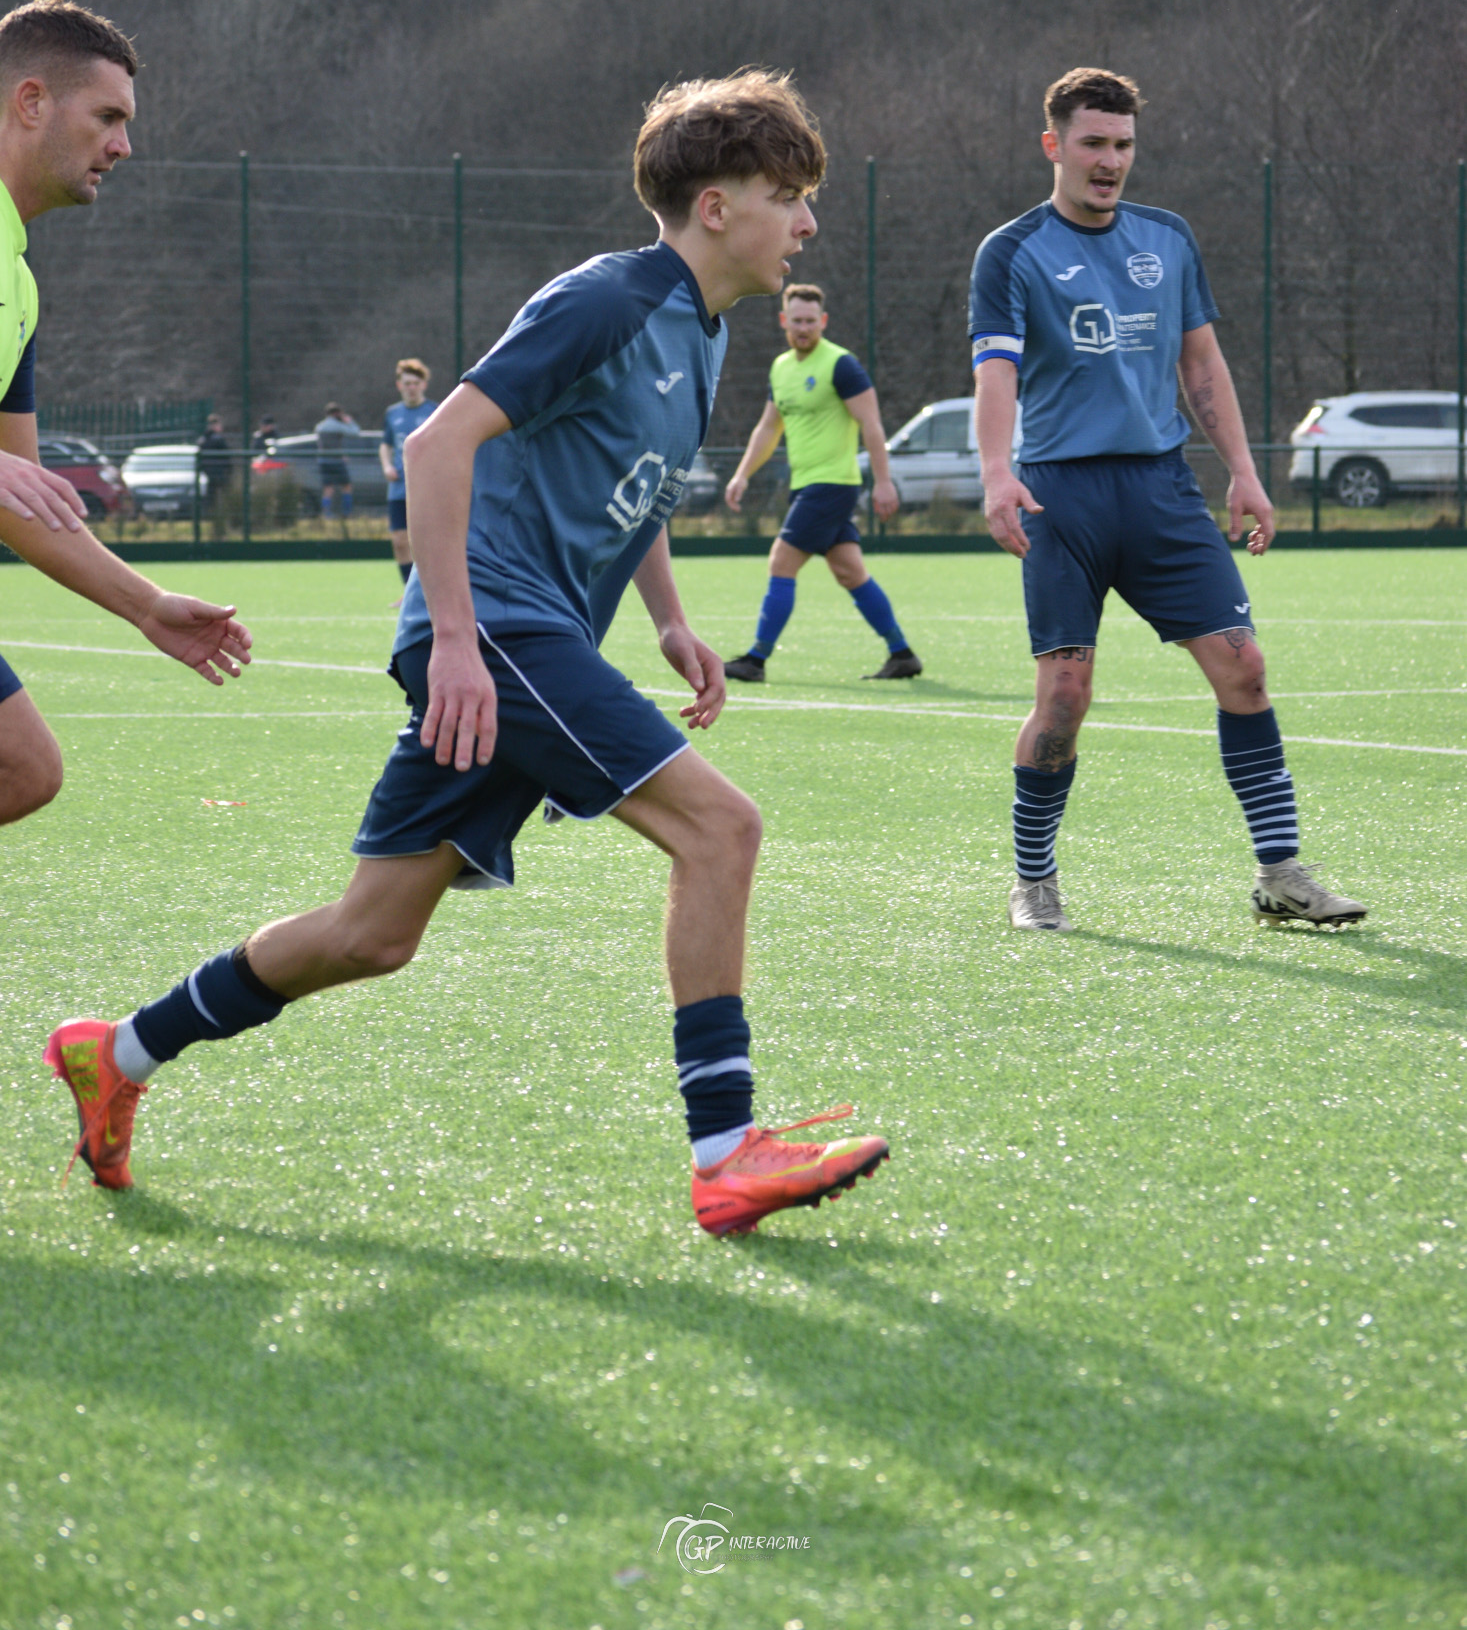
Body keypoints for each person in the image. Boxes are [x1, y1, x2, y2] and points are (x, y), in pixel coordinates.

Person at [45, 69, 889, 1235]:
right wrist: (452, 639)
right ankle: (726, 1148)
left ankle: (120, 1050)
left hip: (522, 641)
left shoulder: (698, 339)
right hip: (497, 628)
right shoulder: (611, 298)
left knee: (372, 933)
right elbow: (443, 445)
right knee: (721, 827)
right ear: (713, 206)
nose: (803, 224)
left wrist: (669, 619)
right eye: (787, 195)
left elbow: (627, 498)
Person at [970, 64, 1366, 933]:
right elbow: (993, 372)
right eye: (1092, 144)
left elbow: (1200, 364)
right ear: (1054, 146)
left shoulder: (1168, 239)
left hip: (1159, 489)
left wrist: (1245, 471)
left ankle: (1280, 873)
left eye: (1122, 145)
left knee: (1243, 668)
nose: (1109, 161)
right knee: (1064, 697)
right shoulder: (1011, 251)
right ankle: (1033, 878)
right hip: (1060, 500)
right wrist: (997, 472)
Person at [0, 0, 250, 867]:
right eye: (107, 117)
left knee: (22, 767)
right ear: (32, 103)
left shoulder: (19, 293)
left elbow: (19, 498)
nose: (124, 145)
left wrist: (146, 607)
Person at [723, 283, 921, 682]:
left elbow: (871, 423)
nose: (803, 328)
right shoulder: (781, 368)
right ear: (783, 321)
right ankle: (902, 654)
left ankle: (756, 660)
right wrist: (742, 474)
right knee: (850, 572)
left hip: (832, 484)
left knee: (781, 561)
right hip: (807, 485)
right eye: (796, 320)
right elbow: (768, 427)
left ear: (823, 322)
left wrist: (883, 481)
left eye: (811, 321)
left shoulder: (840, 364)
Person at [379, 358, 438, 588]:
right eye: (407, 383)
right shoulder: (392, 413)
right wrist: (386, 466)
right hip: (398, 488)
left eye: (415, 383)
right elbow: (386, 444)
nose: (411, 387)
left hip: (426, 489)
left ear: (423, 385)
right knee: (400, 542)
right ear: (399, 386)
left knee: (426, 542)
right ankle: (408, 592)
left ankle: (428, 591)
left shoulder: (435, 410)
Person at [315, 402, 359, 528]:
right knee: (346, 486)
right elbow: (355, 432)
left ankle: (326, 514)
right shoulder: (337, 426)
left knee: (328, 489)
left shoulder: (319, 426)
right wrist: (349, 421)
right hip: (337, 461)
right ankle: (347, 513)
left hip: (323, 461)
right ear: (336, 413)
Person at [196, 412, 231, 519]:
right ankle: (222, 515)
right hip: (219, 473)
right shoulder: (218, 440)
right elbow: (226, 457)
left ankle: (209, 515)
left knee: (210, 496)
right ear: (215, 425)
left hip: (207, 472)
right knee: (224, 495)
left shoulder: (202, 439)